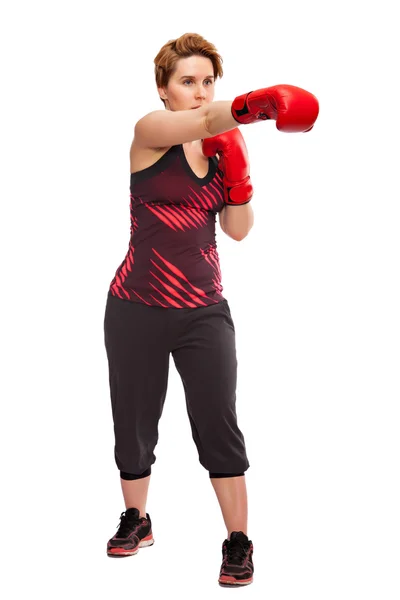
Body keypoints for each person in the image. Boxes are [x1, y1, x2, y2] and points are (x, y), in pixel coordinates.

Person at [104, 32, 319, 587]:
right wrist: (250, 108)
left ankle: (238, 542)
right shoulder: (150, 133)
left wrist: (241, 176)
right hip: (136, 304)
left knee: (218, 422)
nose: (200, 94)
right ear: (164, 89)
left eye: (207, 83)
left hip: (204, 311)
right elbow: (201, 124)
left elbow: (238, 231)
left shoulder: (222, 146)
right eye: (187, 82)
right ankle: (136, 518)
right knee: (133, 420)